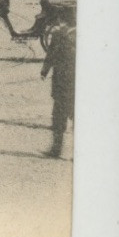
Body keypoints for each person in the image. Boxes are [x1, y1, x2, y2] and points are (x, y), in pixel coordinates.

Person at [41, 16, 76, 158]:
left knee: (59, 116)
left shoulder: (58, 34)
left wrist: (44, 70)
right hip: (77, 84)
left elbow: (50, 55)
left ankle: (56, 149)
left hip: (62, 82)